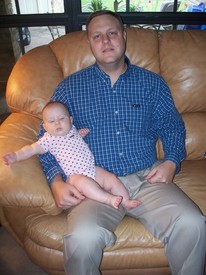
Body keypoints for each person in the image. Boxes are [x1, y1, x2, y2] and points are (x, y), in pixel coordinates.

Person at [38, 10, 206, 275]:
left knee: (193, 223)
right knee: (82, 239)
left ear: (124, 36)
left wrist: (172, 160)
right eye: (97, 36)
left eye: (112, 33)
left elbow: (172, 125)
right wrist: (56, 182)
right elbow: (45, 140)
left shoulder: (152, 83)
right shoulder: (69, 88)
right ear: (90, 43)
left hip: (147, 179)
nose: (106, 41)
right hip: (94, 185)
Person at [2, 101, 140, 210]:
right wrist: (16, 155)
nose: (57, 123)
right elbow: (30, 149)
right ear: (44, 126)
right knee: (86, 184)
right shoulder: (48, 140)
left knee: (111, 178)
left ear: (70, 120)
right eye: (51, 121)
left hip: (91, 168)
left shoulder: (72, 130)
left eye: (62, 118)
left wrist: (80, 134)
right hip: (74, 177)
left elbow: (74, 141)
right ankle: (108, 199)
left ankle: (126, 201)